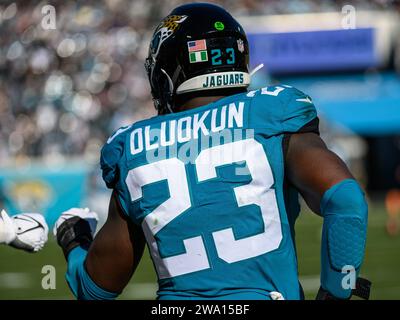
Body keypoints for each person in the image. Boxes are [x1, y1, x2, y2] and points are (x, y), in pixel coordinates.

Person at [53, 3, 369, 300]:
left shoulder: (132, 145)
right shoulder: (271, 111)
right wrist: (337, 290)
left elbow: (95, 287)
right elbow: (346, 200)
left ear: (167, 72)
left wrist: (73, 238)